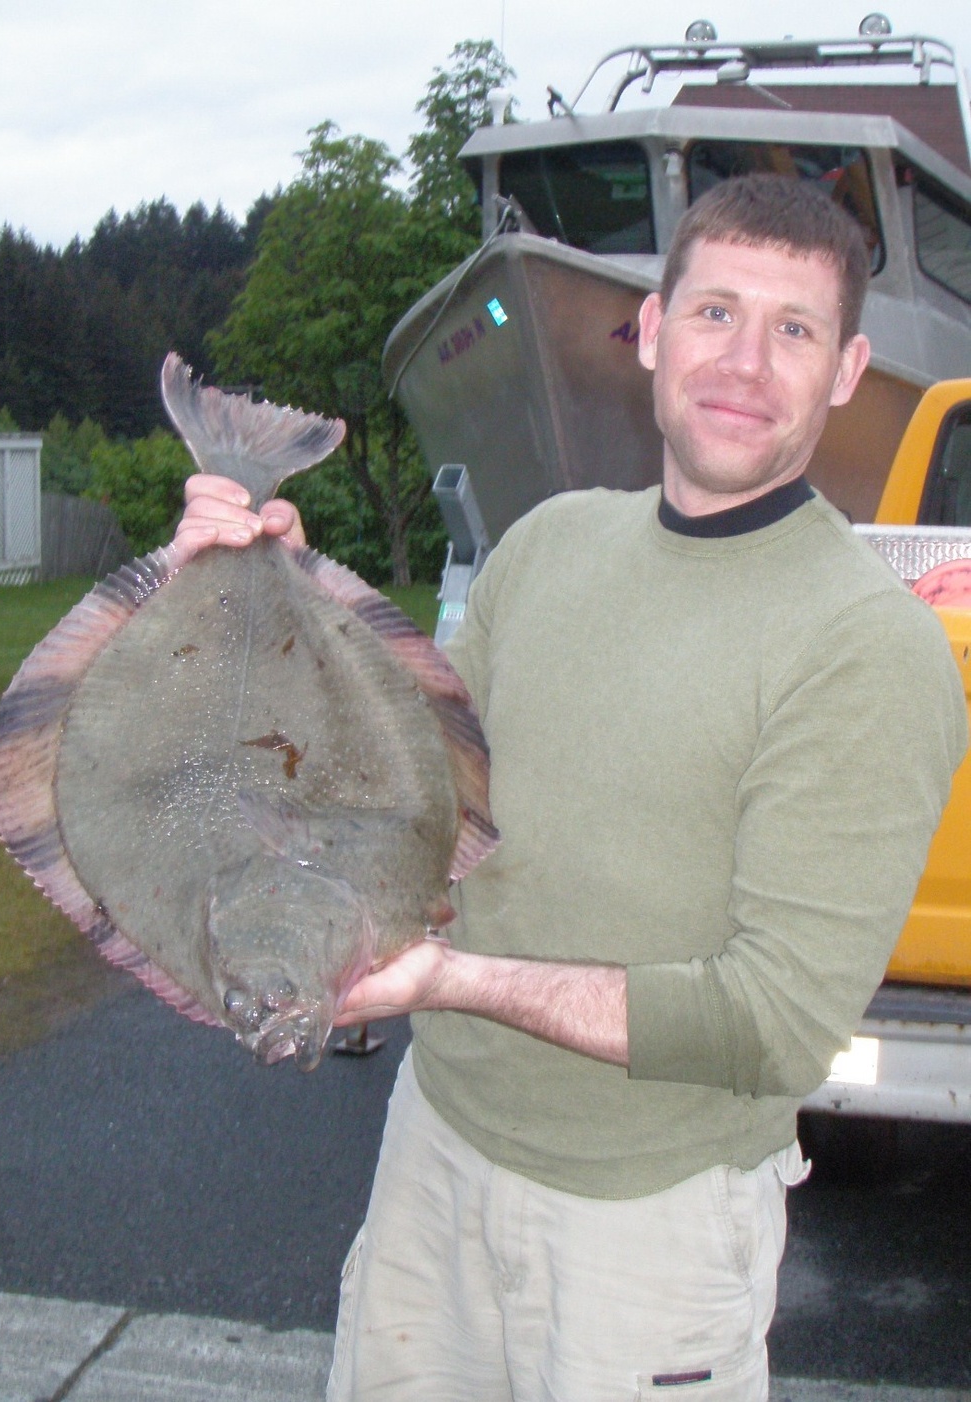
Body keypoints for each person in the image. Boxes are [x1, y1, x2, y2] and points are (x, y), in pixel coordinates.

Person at [173, 175, 967, 1401]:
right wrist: (254, 598)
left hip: (644, 1229)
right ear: (649, 335)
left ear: (847, 368)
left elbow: (777, 1022)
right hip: (433, 1152)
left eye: (793, 330)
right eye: (713, 313)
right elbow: (396, 789)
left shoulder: (866, 642)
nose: (745, 362)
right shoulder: (546, 542)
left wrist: (445, 980)